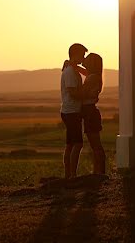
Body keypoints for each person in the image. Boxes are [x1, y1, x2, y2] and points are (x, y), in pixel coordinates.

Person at [74, 53, 106, 174]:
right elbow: (85, 72)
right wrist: (75, 67)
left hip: (89, 112)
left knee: (95, 145)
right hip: (91, 112)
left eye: (87, 59)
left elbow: (81, 93)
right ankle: (99, 171)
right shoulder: (94, 76)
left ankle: (99, 172)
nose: (84, 60)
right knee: (95, 145)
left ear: (92, 63)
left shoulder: (92, 78)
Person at [60, 43, 88, 179]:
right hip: (72, 112)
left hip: (69, 111)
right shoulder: (70, 72)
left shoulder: (72, 69)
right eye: (82, 55)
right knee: (77, 144)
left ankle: (68, 175)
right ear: (75, 54)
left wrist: (75, 65)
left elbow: (89, 73)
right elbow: (72, 93)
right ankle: (72, 176)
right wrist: (87, 94)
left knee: (70, 144)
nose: (83, 58)